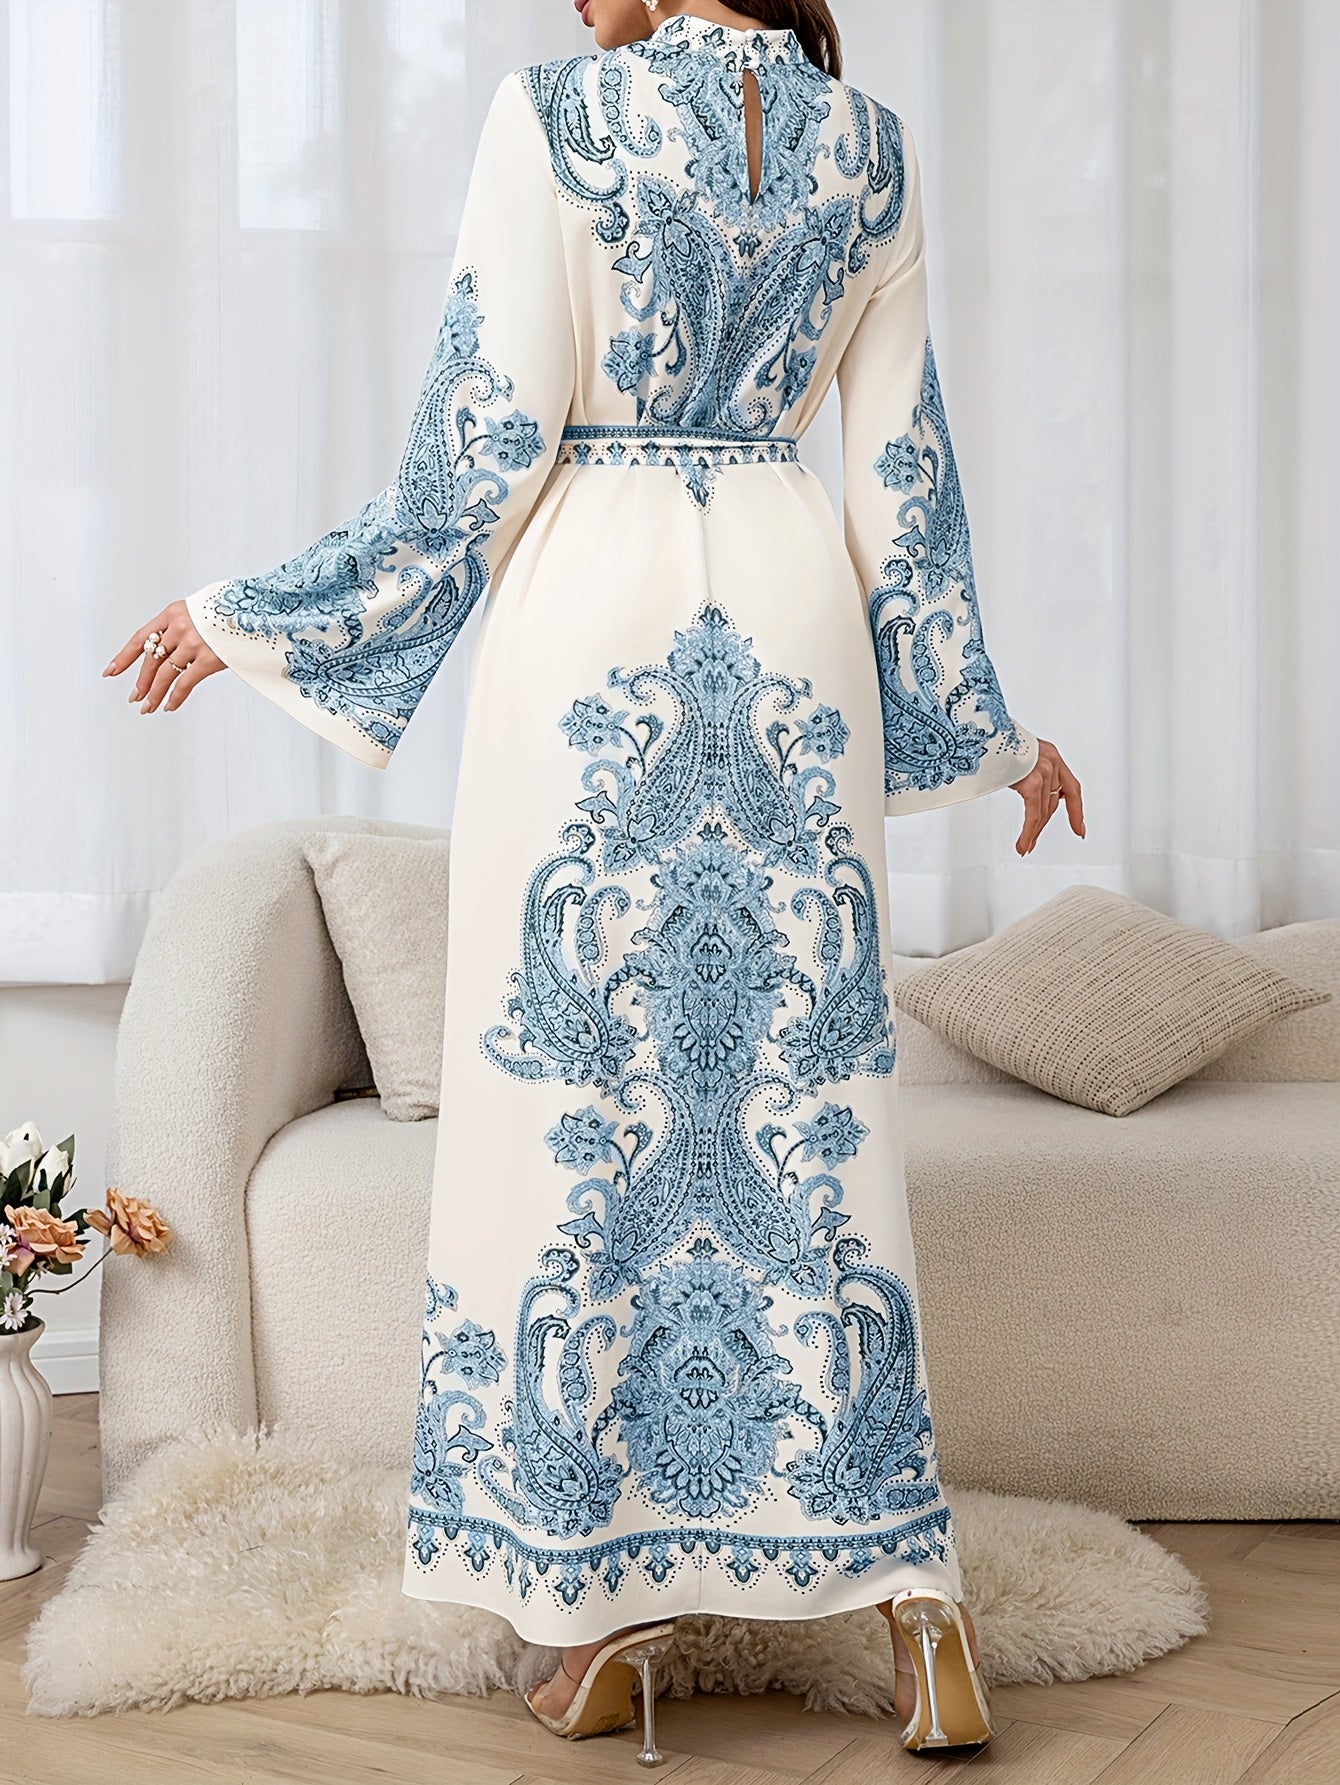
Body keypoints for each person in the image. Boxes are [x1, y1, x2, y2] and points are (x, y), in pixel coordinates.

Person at [105, 0, 1084, 1760]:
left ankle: (602, 1615)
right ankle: (921, 1609)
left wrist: (245, 616)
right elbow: (905, 486)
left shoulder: (558, 119)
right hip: (792, 634)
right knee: (800, 1122)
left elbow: (471, 462)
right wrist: (997, 736)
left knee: (579, 1114)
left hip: (593, 637)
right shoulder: (870, 149)